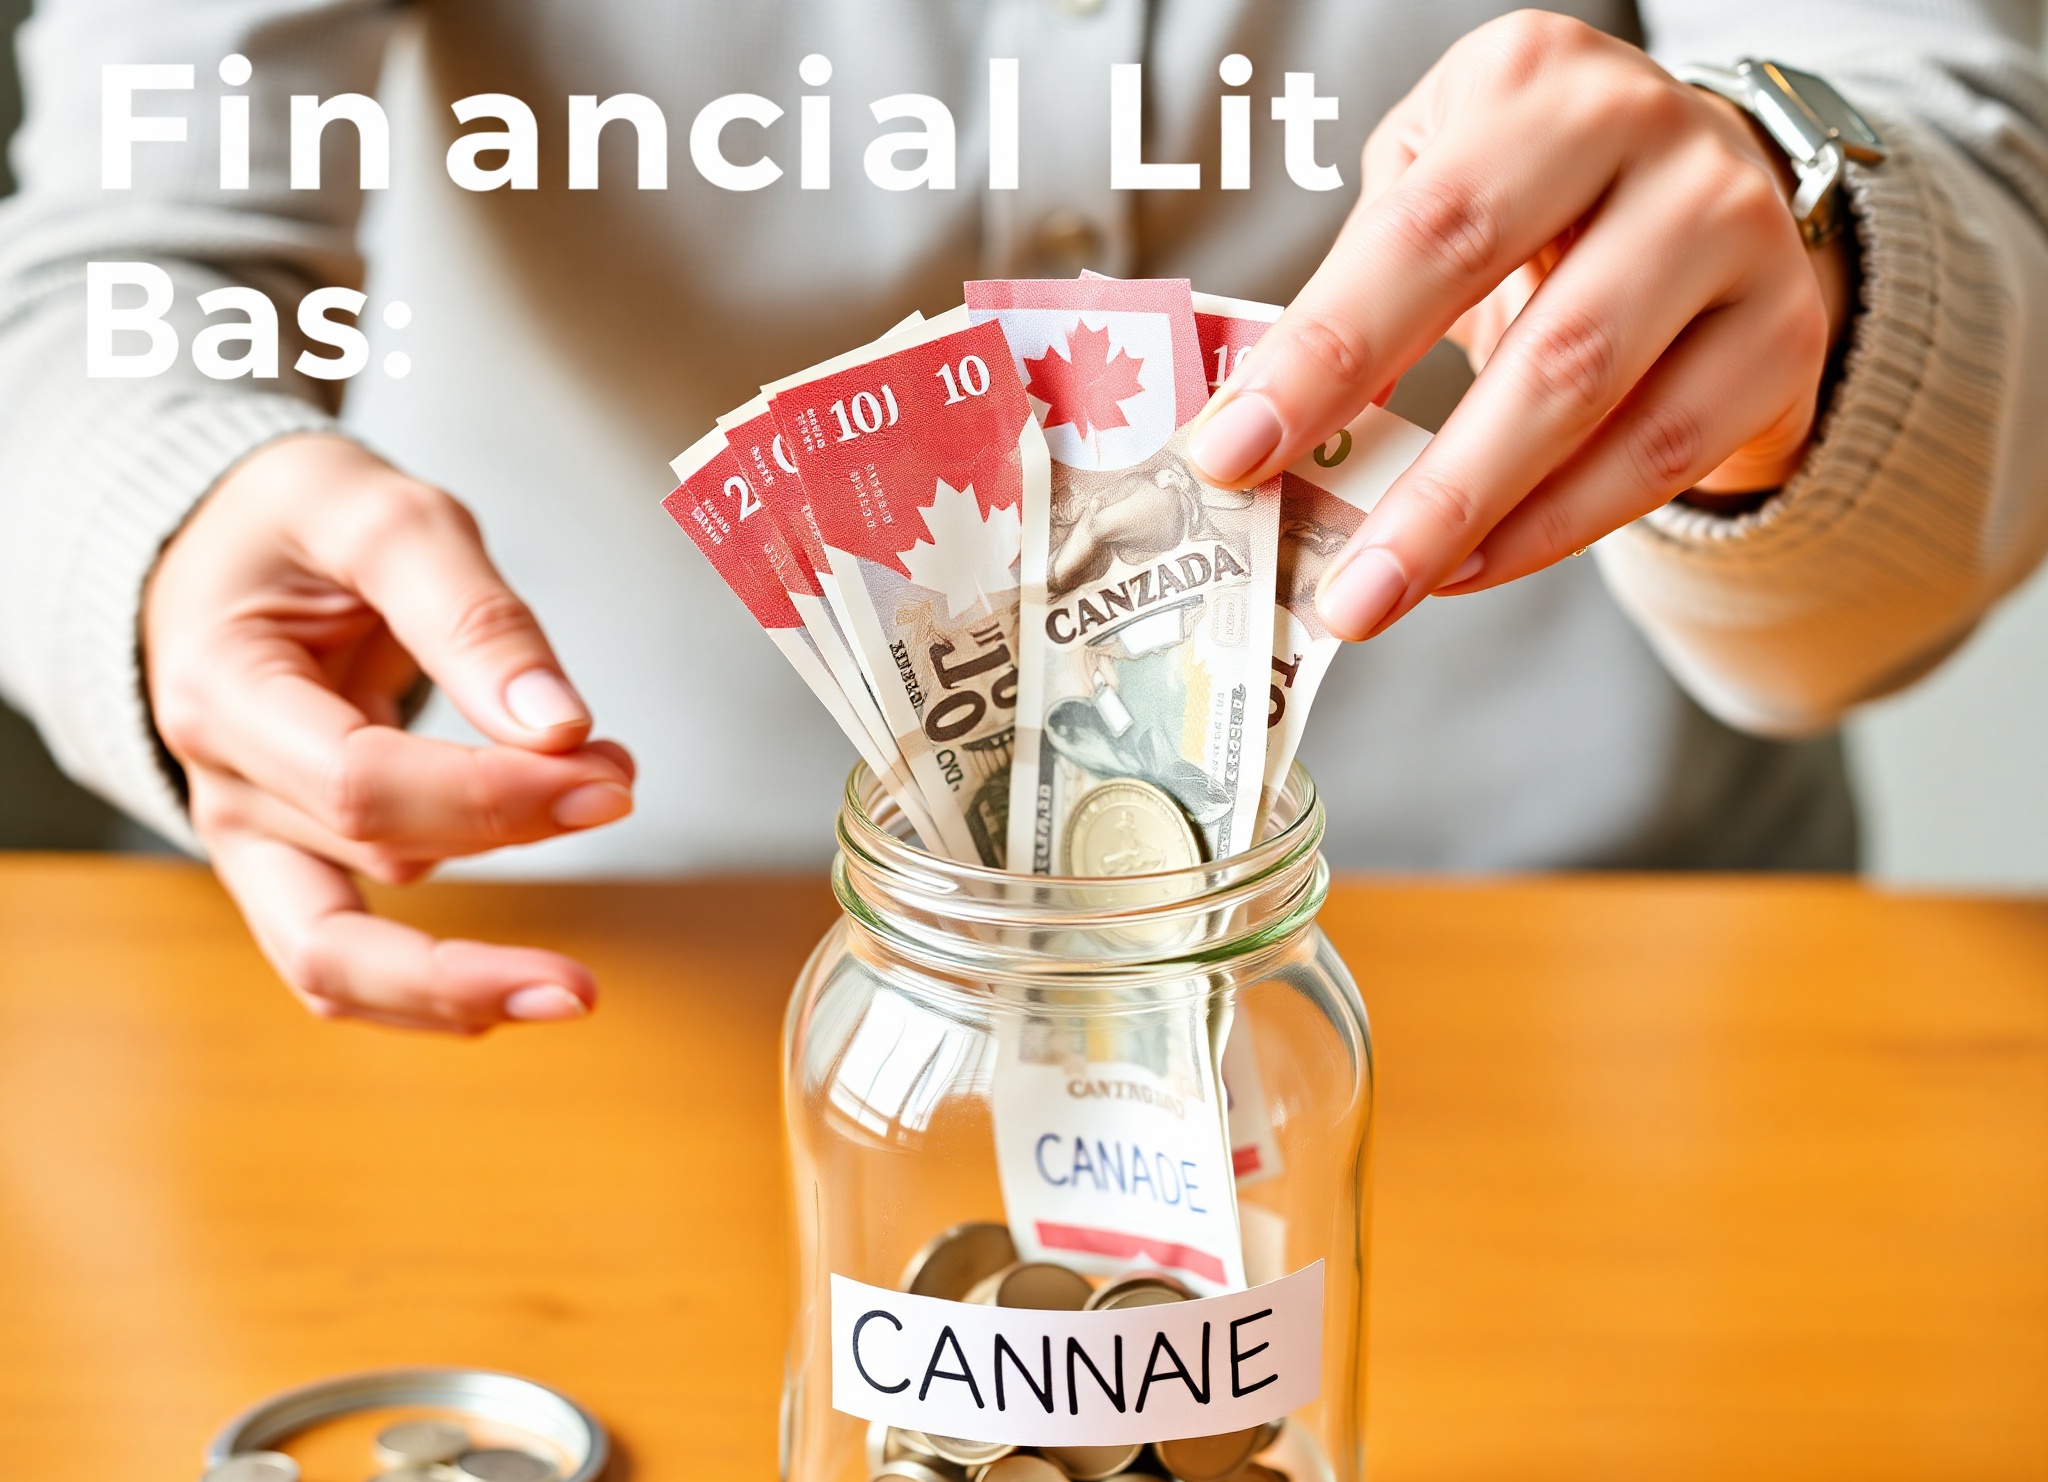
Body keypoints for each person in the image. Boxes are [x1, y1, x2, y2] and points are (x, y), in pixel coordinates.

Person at [0, 3, 2043, 1032]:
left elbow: (1953, 148)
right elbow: (120, 261)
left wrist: (1804, 294)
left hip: (1608, 972)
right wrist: (170, 517)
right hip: (635, 963)